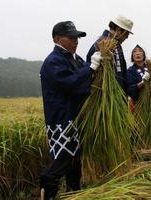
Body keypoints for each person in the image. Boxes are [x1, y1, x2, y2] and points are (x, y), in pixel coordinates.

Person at [39, 21, 102, 200]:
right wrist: (90, 68)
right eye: (71, 38)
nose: (76, 41)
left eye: (77, 38)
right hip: (61, 121)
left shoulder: (75, 59)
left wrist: (96, 68)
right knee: (63, 160)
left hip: (76, 118)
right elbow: (71, 83)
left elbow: (87, 79)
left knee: (75, 161)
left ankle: (74, 193)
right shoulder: (53, 61)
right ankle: (46, 191)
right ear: (57, 39)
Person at [86, 15, 133, 95]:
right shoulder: (102, 43)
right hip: (104, 95)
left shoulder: (115, 44)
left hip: (117, 95)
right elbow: (90, 69)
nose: (127, 37)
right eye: (126, 33)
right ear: (119, 30)